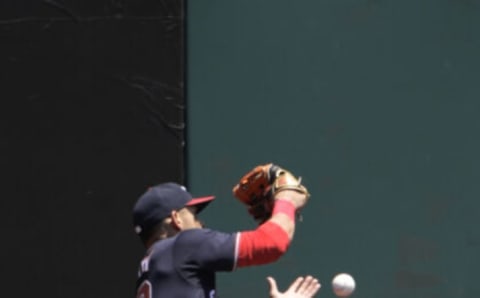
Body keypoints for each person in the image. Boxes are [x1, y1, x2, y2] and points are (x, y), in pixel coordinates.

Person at [132, 177, 309, 298]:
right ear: (177, 219)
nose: (201, 224)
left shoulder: (156, 266)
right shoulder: (184, 245)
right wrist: (287, 200)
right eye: (194, 216)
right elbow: (272, 243)